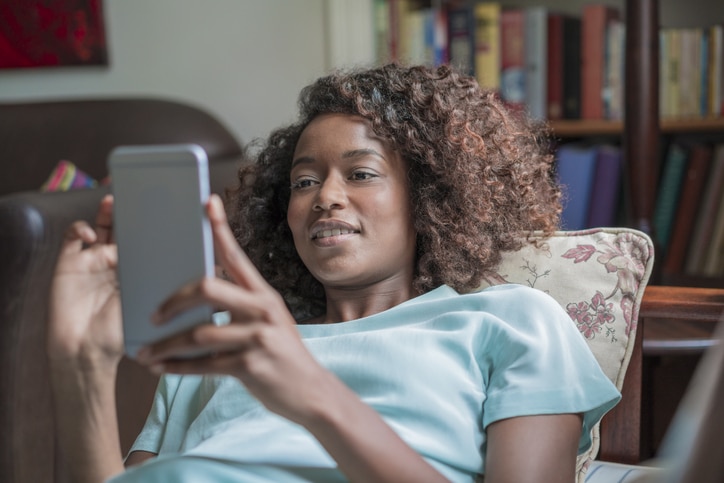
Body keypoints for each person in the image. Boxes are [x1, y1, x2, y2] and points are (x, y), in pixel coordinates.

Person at [47, 63, 620, 483]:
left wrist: (309, 391)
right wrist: (81, 370)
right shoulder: (225, 335)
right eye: (303, 181)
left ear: (428, 198)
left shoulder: (512, 320)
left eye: (362, 173)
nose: (326, 197)